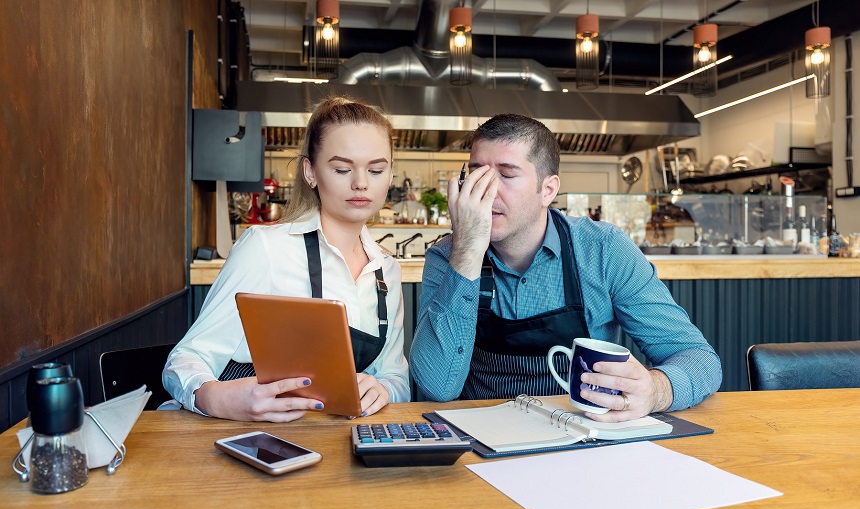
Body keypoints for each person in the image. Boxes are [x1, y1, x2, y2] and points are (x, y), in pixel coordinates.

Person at [409, 114, 721, 422]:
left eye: (506, 174)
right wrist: (466, 251)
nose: (486, 191)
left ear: (547, 190)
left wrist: (655, 390)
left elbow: (699, 359)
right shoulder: (447, 255)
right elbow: (438, 386)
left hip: (582, 438)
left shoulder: (604, 250)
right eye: (477, 174)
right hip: (482, 441)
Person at [164, 96, 410, 422]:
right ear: (310, 172)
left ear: (390, 174)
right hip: (256, 438)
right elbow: (185, 359)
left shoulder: (385, 270)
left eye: (376, 169)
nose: (361, 183)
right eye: (341, 168)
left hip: (340, 444)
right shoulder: (265, 248)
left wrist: (384, 389)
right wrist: (220, 399)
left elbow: (396, 378)